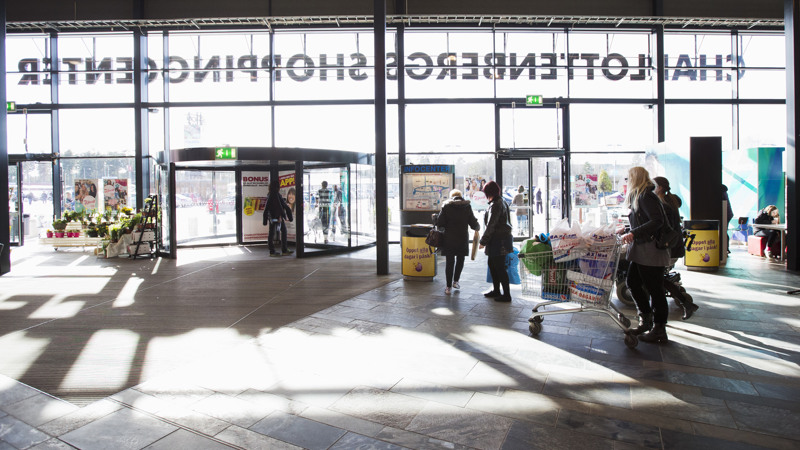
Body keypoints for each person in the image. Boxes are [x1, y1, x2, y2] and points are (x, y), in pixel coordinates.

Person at [619, 167, 672, 343]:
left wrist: (633, 233)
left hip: (650, 250)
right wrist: (627, 229)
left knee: (655, 289)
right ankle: (646, 319)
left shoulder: (645, 196)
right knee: (633, 282)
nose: (627, 181)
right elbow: (644, 221)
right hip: (643, 249)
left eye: (629, 178)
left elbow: (657, 221)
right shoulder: (641, 196)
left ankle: (658, 328)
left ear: (636, 178)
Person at [653, 176, 699, 320]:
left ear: (659, 187)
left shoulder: (663, 204)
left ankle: (685, 303)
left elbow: (663, 228)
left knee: (657, 278)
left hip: (669, 248)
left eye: (652, 185)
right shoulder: (670, 201)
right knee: (657, 277)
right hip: (673, 247)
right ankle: (685, 303)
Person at [436, 189, 480, 295]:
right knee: (460, 260)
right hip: (462, 238)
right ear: (461, 197)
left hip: (449, 239)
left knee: (450, 262)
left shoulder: (446, 206)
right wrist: (477, 227)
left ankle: (448, 287)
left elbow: (440, 223)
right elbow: (473, 222)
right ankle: (456, 281)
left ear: (452, 197)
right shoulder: (467, 207)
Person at [479, 181, 514, 303]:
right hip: (500, 239)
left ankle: (506, 294)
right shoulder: (500, 201)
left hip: (499, 241)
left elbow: (491, 225)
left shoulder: (496, 204)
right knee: (493, 265)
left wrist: (483, 241)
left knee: (499, 267)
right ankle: (496, 290)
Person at [263, 182, 294, 257]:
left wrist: (265, 219)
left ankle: (275, 250)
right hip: (277, 217)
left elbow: (268, 208)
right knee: (282, 231)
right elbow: (279, 206)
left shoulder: (270, 194)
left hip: (272, 217)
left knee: (272, 233)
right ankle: (280, 250)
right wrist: (281, 216)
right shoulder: (275, 194)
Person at [721, 184, 734, 254]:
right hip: (728, 214)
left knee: (723, 232)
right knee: (724, 232)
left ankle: (725, 248)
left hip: (725, 214)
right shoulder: (724, 191)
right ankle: (726, 248)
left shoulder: (721, 192)